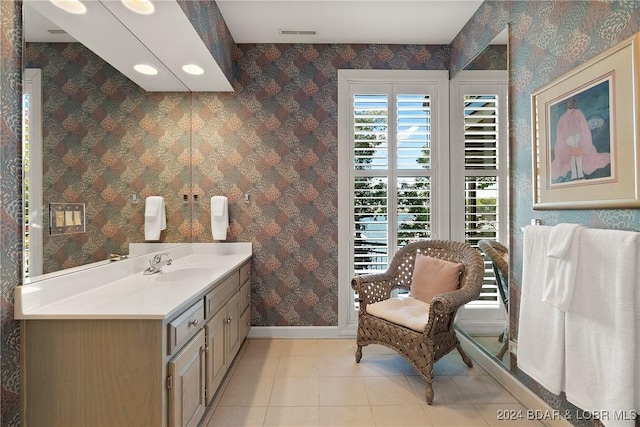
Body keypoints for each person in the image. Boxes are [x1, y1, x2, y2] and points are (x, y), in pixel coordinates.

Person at [551, 97, 610, 182]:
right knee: (574, 155)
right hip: (570, 140)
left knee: (576, 155)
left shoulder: (576, 114)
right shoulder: (564, 118)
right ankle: (576, 175)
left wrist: (584, 145)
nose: (570, 105)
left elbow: (584, 128)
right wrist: (565, 147)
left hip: (577, 138)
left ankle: (578, 175)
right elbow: (561, 136)